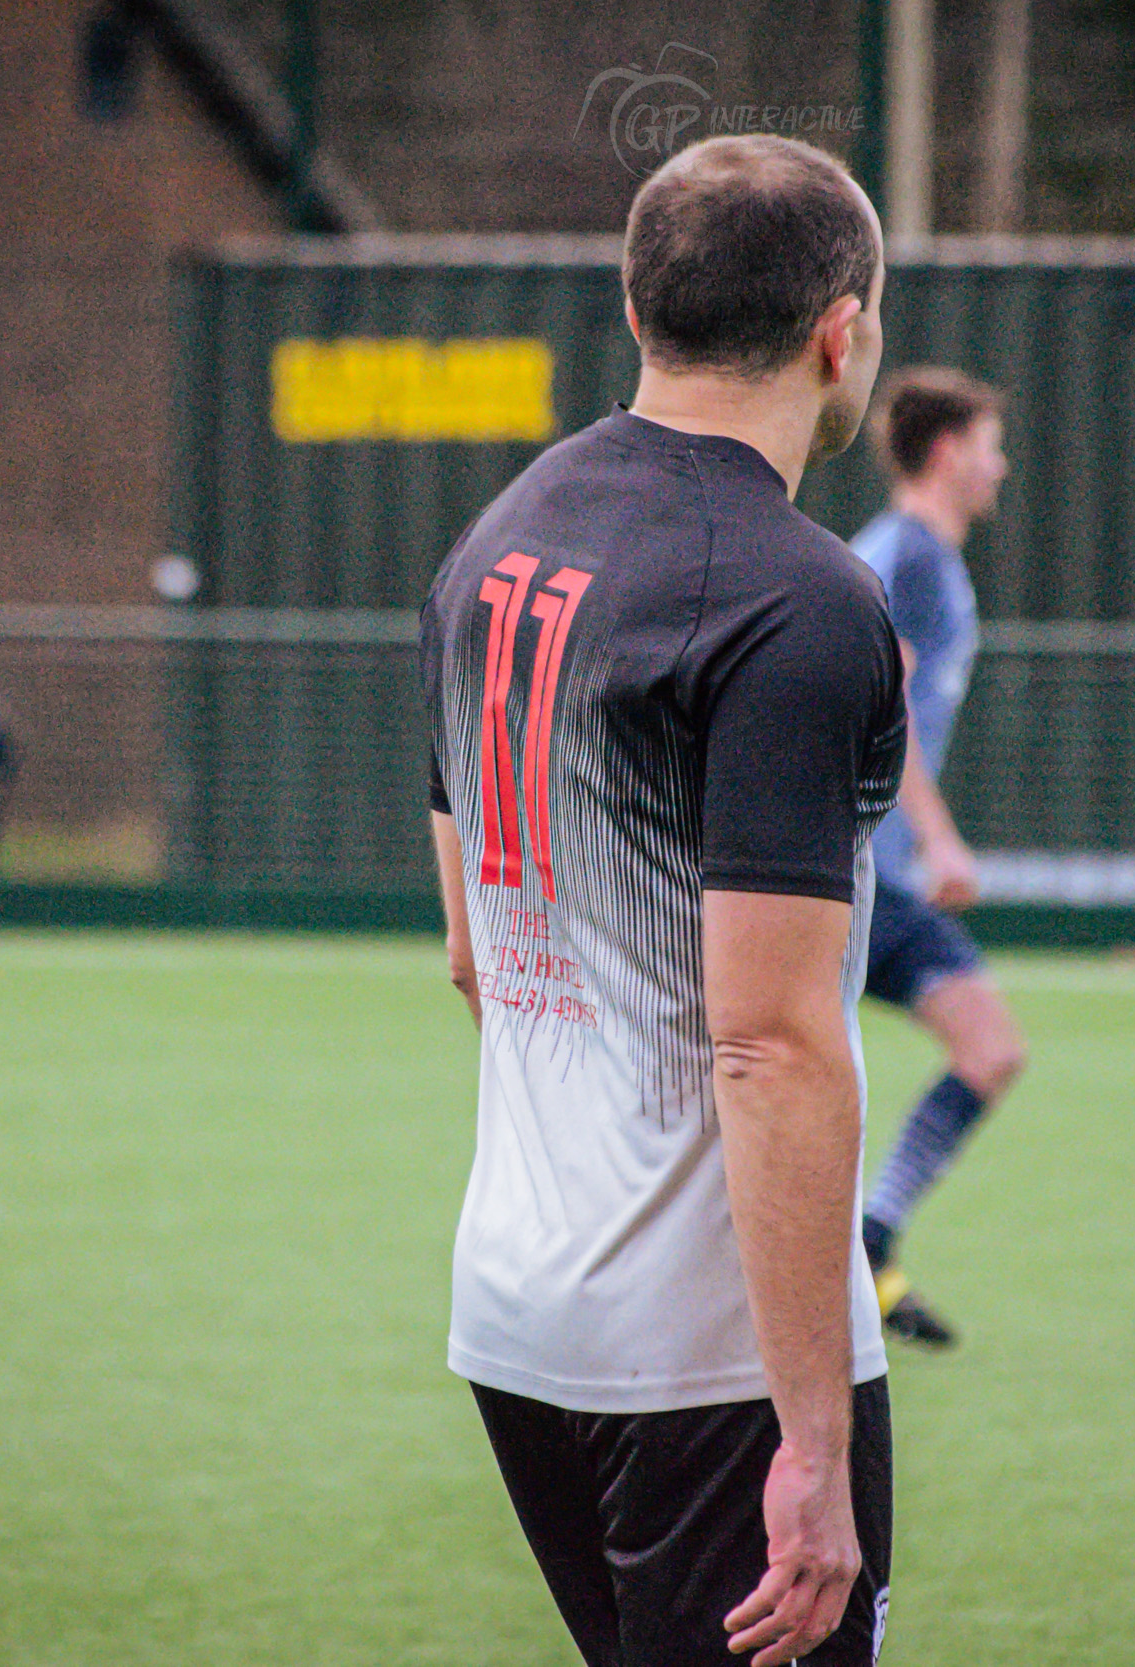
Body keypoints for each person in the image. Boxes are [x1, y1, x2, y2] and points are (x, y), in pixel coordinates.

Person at [419, 134, 905, 1667]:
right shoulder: (798, 597)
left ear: (638, 311)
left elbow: (473, 954)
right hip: (709, 1361)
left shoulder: (495, 542)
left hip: (520, 1314)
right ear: (842, 330)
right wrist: (815, 1446)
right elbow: (769, 1043)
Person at [848, 368, 1030, 1352]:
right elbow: (884, 709)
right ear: (950, 451)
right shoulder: (911, 558)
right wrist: (937, 833)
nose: (1000, 466)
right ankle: (836, 1262)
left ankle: (867, 1244)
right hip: (853, 869)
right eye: (991, 446)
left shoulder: (910, 552)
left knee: (989, 1047)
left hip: (865, 870)